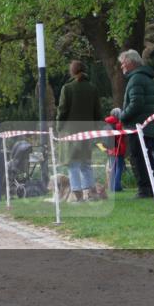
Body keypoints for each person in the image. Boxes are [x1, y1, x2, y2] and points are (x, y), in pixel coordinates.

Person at [56, 60, 103, 202]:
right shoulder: (93, 88)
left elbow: (62, 110)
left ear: (72, 71)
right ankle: (92, 194)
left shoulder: (67, 88)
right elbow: (98, 113)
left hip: (71, 132)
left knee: (73, 165)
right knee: (86, 164)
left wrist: (59, 128)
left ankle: (78, 197)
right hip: (88, 132)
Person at [118, 50, 154, 199]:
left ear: (130, 63)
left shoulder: (136, 79)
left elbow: (136, 104)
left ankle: (144, 189)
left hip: (138, 127)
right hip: (148, 126)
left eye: (123, 62)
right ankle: (151, 188)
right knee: (147, 158)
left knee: (138, 158)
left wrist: (121, 115)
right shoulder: (146, 78)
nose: (121, 66)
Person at [104, 107, 127, 193]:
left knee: (111, 168)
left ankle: (111, 186)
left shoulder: (106, 124)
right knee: (119, 168)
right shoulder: (118, 125)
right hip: (118, 149)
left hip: (109, 150)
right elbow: (122, 136)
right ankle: (116, 186)